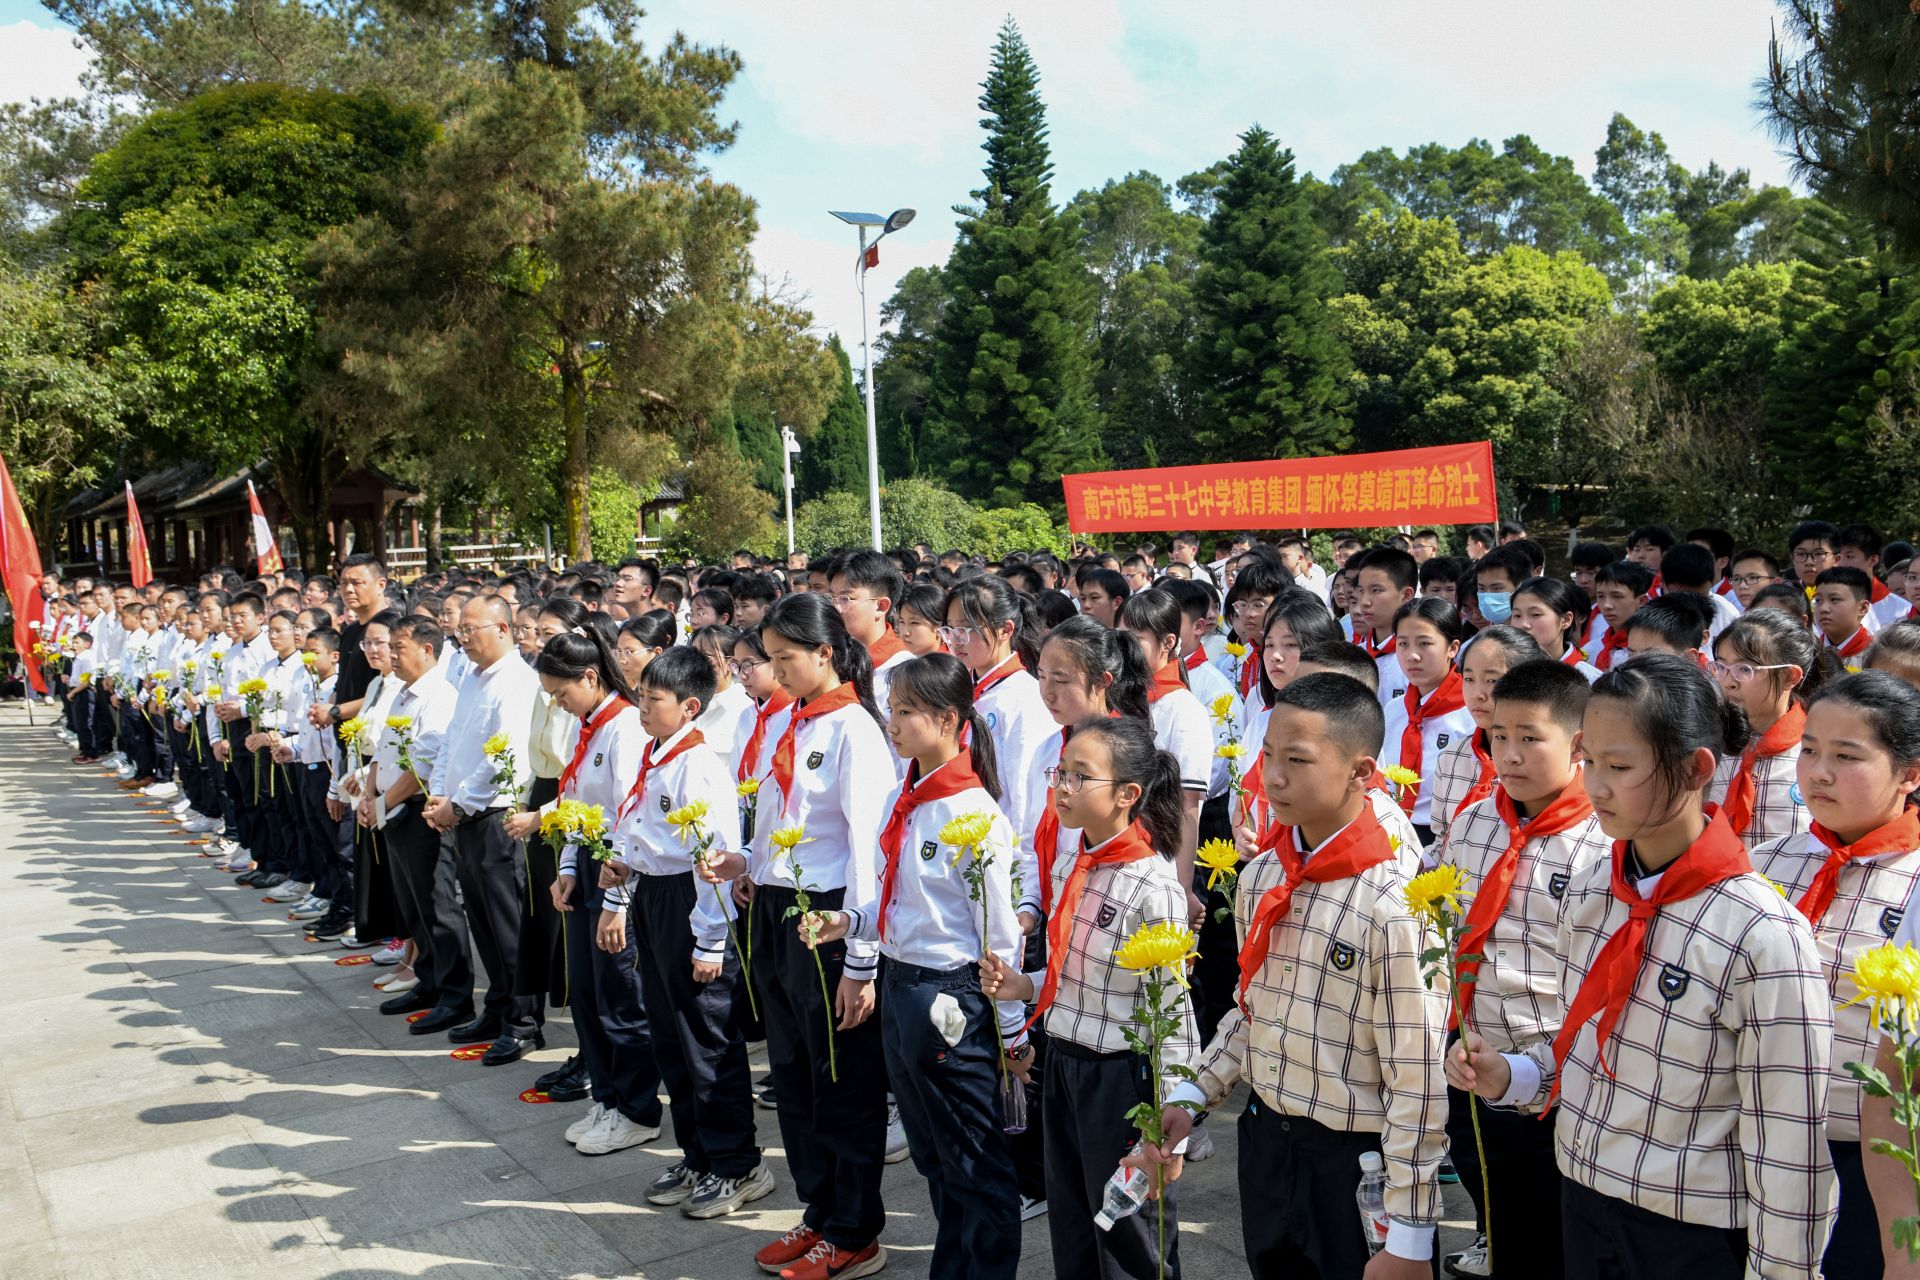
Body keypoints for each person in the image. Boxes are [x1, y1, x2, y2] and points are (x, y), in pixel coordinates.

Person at [1449, 653, 1834, 1280]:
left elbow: (1789, 1142)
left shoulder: (1761, 932)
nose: (1596, 785)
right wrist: (1514, 1076)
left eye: (1620, 766)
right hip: (1584, 1195)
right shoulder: (1598, 887)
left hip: (1688, 1229)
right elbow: (1590, 1049)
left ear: (1694, 769)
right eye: (1591, 761)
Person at [1149, 672, 1447, 1279]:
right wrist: (1192, 1094)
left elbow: (1418, 1073)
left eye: (1297, 760)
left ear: (1362, 772)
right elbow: (1251, 1009)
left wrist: (1410, 1232)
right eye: (1266, 757)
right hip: (1268, 1142)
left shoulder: (1391, 904)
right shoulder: (1262, 878)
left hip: (1354, 1162)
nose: (1274, 777)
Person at [809, 654, 1025, 1277]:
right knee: (934, 1155)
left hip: (948, 994)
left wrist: (1011, 1030)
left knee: (973, 1159)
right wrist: (849, 925)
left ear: (949, 720)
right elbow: (895, 896)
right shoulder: (909, 794)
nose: (893, 724)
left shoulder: (971, 815)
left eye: (906, 712)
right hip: (902, 983)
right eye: (892, 710)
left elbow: (997, 935)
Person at [702, 593, 891, 1280]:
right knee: (794, 1075)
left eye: (786, 658)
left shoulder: (855, 732)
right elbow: (781, 815)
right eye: (769, 659)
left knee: (842, 1079)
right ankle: (819, 1210)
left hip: (831, 919)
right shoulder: (797, 721)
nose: (776, 671)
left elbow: (868, 851)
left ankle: (855, 1228)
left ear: (827, 653)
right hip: (779, 910)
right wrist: (747, 864)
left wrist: (861, 963)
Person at [980, 715, 1193, 1280]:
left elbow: (1173, 1014)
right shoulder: (1073, 857)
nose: (1062, 788)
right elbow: (1075, 964)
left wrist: (1166, 1120)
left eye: (1080, 777)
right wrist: (1025, 986)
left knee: (1128, 1232)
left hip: (1120, 1079)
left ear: (1128, 795)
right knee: (1072, 1220)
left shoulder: (1155, 887)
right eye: (1061, 772)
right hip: (1065, 1065)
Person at [1435, 660, 1607, 1280]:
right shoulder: (1477, 821)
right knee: (1505, 1225)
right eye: (1499, 736)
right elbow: (1448, 923)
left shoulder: (1604, 840)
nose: (1509, 754)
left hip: (1563, 1075)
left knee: (1561, 1239)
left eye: (1531, 738)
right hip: (1478, 1059)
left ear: (1579, 744)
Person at [1759, 671, 1920, 1280]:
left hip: (1868, 1152)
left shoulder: (1915, 884)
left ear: (1911, 774)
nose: (1818, 771)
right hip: (1764, 1138)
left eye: (1846, 756)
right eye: (1809, 750)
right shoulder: (1768, 861)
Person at [602, 643, 771, 1207]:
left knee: (706, 1040)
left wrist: (710, 941)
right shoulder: (658, 755)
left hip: (689, 902)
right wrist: (624, 871)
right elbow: (645, 830)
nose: (642, 708)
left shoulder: (700, 766)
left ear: (691, 707)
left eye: (654, 700)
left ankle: (738, 1163)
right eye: (642, 697)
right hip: (654, 894)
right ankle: (697, 1154)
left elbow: (714, 861)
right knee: (670, 1036)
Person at [424, 595, 544, 1065]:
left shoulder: (517, 681)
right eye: (461, 630)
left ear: (503, 628)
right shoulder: (473, 678)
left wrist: (460, 802)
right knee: (482, 922)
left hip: (496, 816)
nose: (462, 638)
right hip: (463, 812)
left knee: (509, 924)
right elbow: (455, 740)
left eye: (471, 630)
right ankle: (497, 1006)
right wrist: (440, 793)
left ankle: (523, 1021)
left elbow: (504, 758)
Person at [366, 617, 467, 1027]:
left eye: (399, 647)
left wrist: (382, 803)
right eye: (389, 646)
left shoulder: (439, 695)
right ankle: (428, 980)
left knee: (436, 906)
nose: (391, 654)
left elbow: (424, 764)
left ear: (427, 650)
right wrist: (372, 794)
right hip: (392, 810)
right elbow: (385, 751)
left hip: (418, 812)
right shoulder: (403, 692)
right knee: (413, 905)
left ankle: (455, 995)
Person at [1707, 611, 1827, 851]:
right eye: (1720, 666)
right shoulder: (1709, 740)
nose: (1728, 681)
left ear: (1788, 676)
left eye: (1745, 669)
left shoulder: (1818, 751)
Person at [1431, 626, 1547, 848]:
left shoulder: (1545, 761)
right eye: (1469, 678)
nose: (1477, 694)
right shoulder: (1451, 759)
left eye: (1492, 681)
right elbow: (1442, 839)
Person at [1380, 598, 1475, 850]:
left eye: (1424, 643)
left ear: (1453, 648)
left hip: (1448, 837)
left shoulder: (1471, 714)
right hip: (1393, 828)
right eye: (1403, 643)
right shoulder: (1395, 710)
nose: (1412, 655)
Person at [1510, 577, 1601, 681]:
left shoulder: (1591, 681)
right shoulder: (1501, 671)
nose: (1524, 624)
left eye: (1535, 614)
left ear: (1566, 620)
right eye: (1517, 615)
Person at [1584, 562, 1654, 673]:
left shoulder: (1653, 651)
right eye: (1601, 596)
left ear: (1641, 601)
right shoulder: (1591, 650)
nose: (1607, 605)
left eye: (1617, 596)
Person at [1813, 566, 1875, 665]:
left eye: (1835, 599)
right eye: (1818, 600)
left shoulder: (1877, 655)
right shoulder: (1808, 652)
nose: (1823, 608)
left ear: (1863, 608)